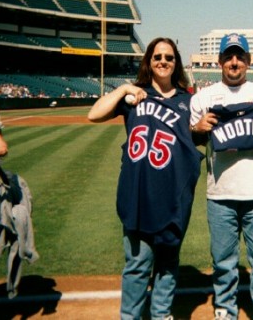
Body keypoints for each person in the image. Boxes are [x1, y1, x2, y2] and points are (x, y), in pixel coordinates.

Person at [88, 37, 202, 320]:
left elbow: (201, 137)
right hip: (138, 193)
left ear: (176, 63)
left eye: (169, 57)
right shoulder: (134, 97)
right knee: (138, 265)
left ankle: (161, 314)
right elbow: (94, 114)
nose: (163, 61)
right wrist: (125, 88)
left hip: (174, 195)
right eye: (157, 57)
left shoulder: (190, 101)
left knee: (167, 263)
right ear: (149, 62)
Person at [190, 33, 253, 320]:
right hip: (220, 194)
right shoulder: (204, 98)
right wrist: (197, 128)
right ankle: (225, 310)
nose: (234, 62)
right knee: (223, 261)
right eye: (228, 57)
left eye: (240, 56)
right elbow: (192, 139)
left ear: (248, 61)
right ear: (220, 61)